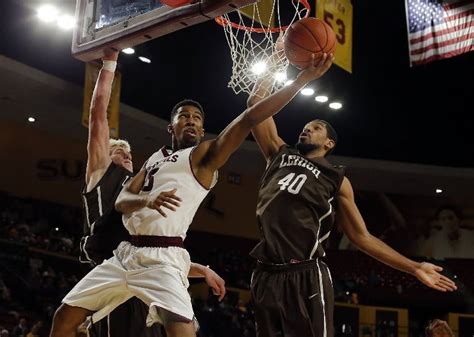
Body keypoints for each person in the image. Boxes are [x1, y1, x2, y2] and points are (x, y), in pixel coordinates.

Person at [49, 51, 334, 337]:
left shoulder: (203, 157)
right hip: (126, 255)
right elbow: (122, 201)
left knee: (181, 332)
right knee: (63, 319)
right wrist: (146, 200)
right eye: (183, 116)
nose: (191, 120)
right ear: (170, 126)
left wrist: (301, 80)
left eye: (197, 118)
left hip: (165, 259)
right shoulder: (153, 159)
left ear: (202, 128)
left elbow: (250, 117)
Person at [246, 53, 457, 337]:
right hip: (265, 272)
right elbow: (254, 105)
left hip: (305, 274)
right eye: (306, 126)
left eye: (316, 128)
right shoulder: (279, 153)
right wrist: (277, 57)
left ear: (329, 143)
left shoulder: (337, 179)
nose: (307, 128)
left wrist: (414, 267)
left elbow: (361, 237)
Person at [71, 49, 225, 337]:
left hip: (144, 274)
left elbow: (157, 250)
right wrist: (109, 64)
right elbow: (97, 116)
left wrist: (200, 269)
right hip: (110, 272)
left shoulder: (146, 182)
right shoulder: (101, 174)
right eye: (118, 152)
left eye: (130, 154)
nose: (126, 156)